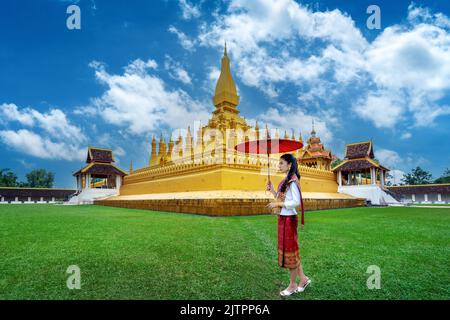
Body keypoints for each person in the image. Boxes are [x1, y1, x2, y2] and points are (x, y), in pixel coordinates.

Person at [265, 153, 311, 297]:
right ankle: (303, 279)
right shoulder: (285, 181)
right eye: (278, 163)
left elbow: (295, 202)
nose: (278, 166)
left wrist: (278, 203)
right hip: (283, 218)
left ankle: (292, 285)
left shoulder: (292, 181)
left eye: (281, 163)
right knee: (292, 251)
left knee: (290, 252)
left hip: (289, 219)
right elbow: (281, 199)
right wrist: (273, 190)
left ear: (289, 165)